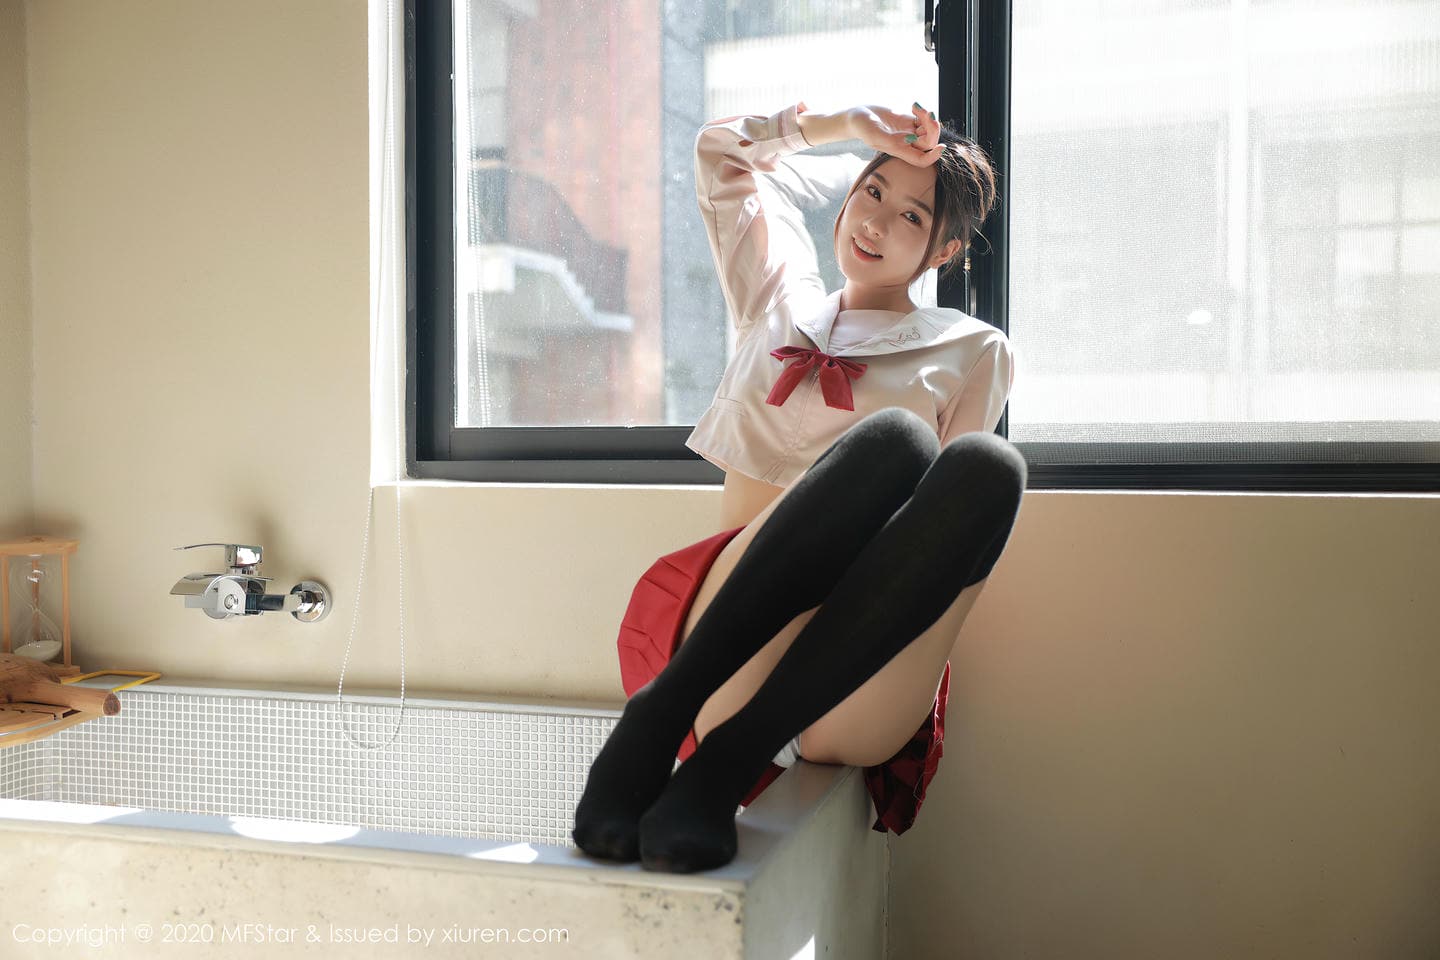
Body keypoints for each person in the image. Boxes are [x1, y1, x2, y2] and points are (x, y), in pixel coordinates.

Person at [573, 100, 1027, 873]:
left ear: (945, 249)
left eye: (912, 217)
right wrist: (849, 126)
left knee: (989, 467)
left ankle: (728, 761)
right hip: (729, 651)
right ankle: (662, 717)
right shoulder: (777, 299)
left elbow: (943, 542)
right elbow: (722, 153)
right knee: (896, 442)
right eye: (872, 191)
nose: (875, 223)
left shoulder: (973, 350)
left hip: (858, 675)